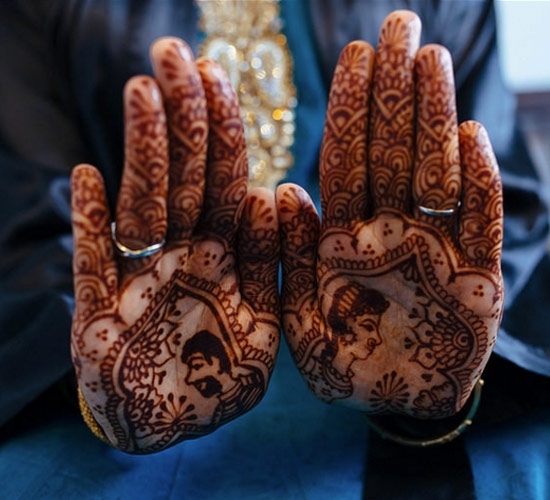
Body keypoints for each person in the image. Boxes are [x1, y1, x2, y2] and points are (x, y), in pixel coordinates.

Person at [1, 1, 549, 498]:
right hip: (139, 339)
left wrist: (440, 355)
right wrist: (112, 373)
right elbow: (31, 221)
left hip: (393, 328)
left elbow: (498, 204)